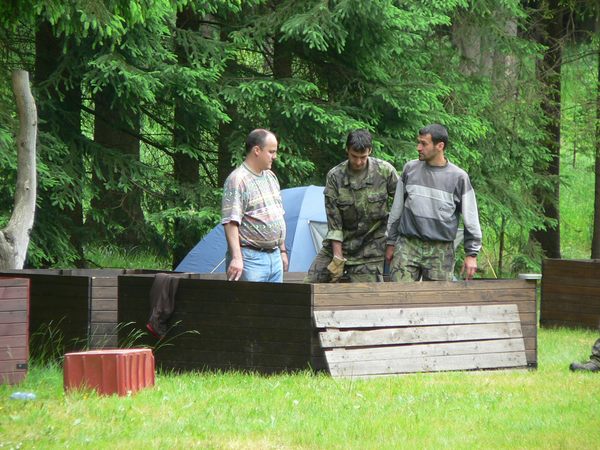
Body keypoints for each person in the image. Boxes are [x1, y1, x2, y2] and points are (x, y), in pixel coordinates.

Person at [385, 124, 482, 282]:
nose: (418, 147)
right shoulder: (409, 170)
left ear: (440, 146)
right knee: (400, 295)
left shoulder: (459, 178)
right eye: (418, 142)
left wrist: (471, 254)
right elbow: (396, 210)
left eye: (424, 144)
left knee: (437, 297)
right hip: (407, 245)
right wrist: (390, 242)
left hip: (441, 250)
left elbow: (471, 218)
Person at [305, 129, 399, 283]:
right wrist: (337, 257)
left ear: (370, 151)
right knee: (310, 284)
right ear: (347, 150)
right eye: (354, 156)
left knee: (360, 293)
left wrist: (392, 242)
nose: (358, 162)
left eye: (363, 157)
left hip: (371, 248)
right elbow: (334, 222)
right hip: (340, 243)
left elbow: (401, 205)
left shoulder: (384, 171)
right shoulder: (335, 176)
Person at [221, 129, 288, 282]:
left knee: (275, 299)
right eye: (271, 152)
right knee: (251, 299)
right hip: (250, 259)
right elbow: (231, 222)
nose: (275, 156)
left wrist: (282, 251)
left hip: (275, 256)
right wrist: (237, 258)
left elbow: (278, 215)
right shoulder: (237, 180)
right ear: (257, 150)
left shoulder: (271, 176)